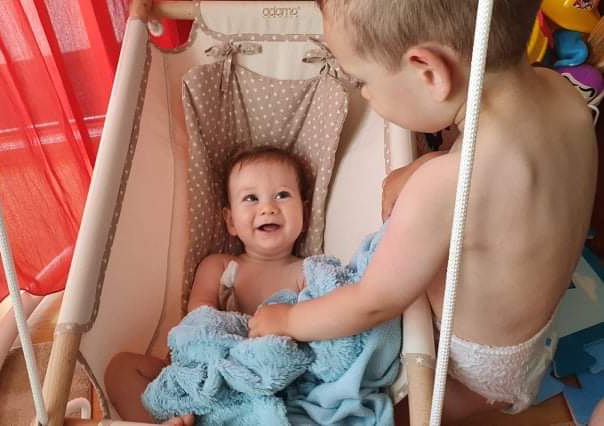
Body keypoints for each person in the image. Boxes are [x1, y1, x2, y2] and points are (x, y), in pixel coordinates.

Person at [249, 0, 598, 422]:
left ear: (429, 72)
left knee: (339, 406)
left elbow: (372, 302)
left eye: (362, 81)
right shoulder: (561, 92)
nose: (364, 94)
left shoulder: (445, 187)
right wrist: (428, 162)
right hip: (536, 338)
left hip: (472, 377)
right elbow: (510, 178)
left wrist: (285, 319)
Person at [104, 146, 309, 424]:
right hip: (208, 373)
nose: (268, 207)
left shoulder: (305, 272)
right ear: (231, 221)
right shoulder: (220, 266)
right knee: (120, 369)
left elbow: (314, 329)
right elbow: (200, 318)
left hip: (265, 383)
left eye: (282, 195)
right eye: (251, 198)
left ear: (304, 213)